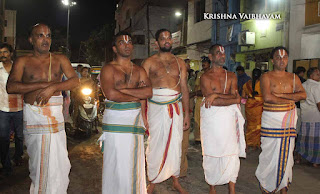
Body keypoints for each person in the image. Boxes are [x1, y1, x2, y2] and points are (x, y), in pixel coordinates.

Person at [6, 23, 79, 193]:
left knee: (59, 164)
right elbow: (11, 87)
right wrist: (43, 85)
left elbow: (75, 81)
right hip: (35, 116)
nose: (46, 39)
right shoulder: (23, 61)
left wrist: (53, 88)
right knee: (39, 164)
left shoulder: (60, 59)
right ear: (31, 39)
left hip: (55, 119)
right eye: (40, 35)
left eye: (48, 36)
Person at [98, 31, 152, 194]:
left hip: (134, 121)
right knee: (116, 163)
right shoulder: (108, 69)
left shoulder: (139, 70)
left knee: (132, 163)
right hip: (115, 121)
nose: (127, 45)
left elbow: (148, 92)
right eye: (122, 42)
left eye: (129, 42)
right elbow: (111, 94)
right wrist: (136, 94)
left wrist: (124, 91)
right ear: (114, 48)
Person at [142, 29, 190, 194]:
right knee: (155, 143)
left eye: (169, 38)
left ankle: (175, 180)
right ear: (157, 43)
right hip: (156, 106)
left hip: (176, 107)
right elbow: (143, 89)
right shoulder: (149, 62)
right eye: (162, 38)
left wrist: (187, 114)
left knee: (176, 143)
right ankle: (153, 180)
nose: (166, 41)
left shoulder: (180, 63)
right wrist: (143, 114)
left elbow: (184, 87)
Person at [255, 46, 306, 194]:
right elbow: (268, 98)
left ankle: (283, 186)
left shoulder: (293, 77)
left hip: (288, 119)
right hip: (271, 119)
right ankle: (267, 186)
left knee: (287, 154)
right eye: (278, 57)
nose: (281, 60)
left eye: (284, 57)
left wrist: (281, 96)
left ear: (288, 59)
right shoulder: (267, 77)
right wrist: (291, 96)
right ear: (272, 60)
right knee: (269, 154)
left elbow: (303, 95)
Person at [200, 44, 245, 194]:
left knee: (231, 152)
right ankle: (212, 187)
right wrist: (218, 98)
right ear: (211, 57)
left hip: (228, 120)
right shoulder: (205, 77)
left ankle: (231, 188)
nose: (222, 56)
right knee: (212, 151)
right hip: (212, 121)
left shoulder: (231, 75)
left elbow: (237, 98)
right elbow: (212, 102)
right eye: (218, 53)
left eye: (223, 53)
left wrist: (216, 95)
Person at [0, 43, 23, 176]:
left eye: (5, 52)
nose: (2, 55)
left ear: (11, 53)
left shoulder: (19, 68)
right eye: (0, 52)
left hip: (19, 107)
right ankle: (6, 164)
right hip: (3, 108)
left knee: (19, 136)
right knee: (3, 138)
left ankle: (18, 156)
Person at [296, 67, 320, 167]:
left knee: (303, 138)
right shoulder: (317, 86)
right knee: (315, 140)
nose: (319, 76)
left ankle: (298, 158)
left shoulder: (303, 85)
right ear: (311, 76)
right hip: (315, 116)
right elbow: (319, 104)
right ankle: (315, 161)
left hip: (305, 115)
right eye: (317, 74)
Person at [242, 68, 263, 149]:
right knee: (258, 124)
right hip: (259, 105)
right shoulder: (262, 84)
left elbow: (243, 96)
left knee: (250, 124)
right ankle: (257, 143)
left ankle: (249, 141)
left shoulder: (246, 84)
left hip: (249, 105)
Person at [193, 56, 211, 145]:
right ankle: (198, 137)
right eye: (202, 63)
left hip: (209, 98)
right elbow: (196, 86)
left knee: (207, 119)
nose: (203, 64)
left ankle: (207, 137)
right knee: (197, 118)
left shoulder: (212, 74)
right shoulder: (200, 74)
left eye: (205, 62)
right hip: (199, 99)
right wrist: (195, 94)